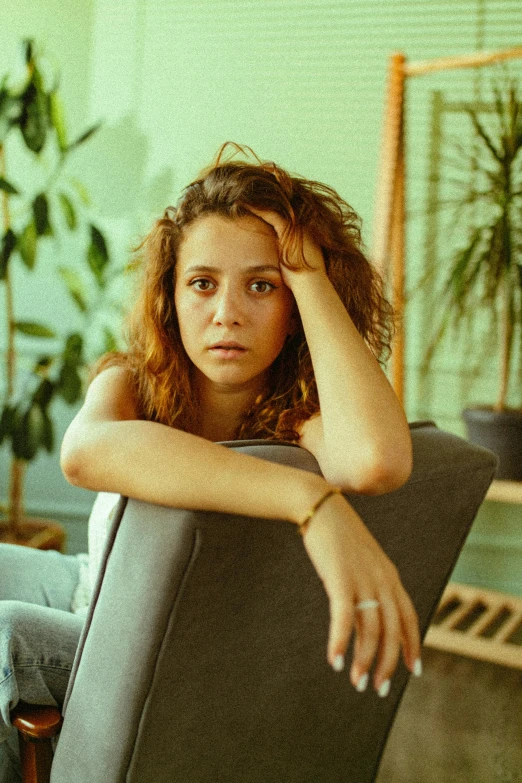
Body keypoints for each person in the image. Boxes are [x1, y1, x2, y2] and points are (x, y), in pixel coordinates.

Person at [0, 142, 421, 780]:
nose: (227, 314)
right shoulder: (132, 385)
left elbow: (376, 462)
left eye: (262, 285)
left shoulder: (298, 423)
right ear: (171, 296)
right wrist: (309, 502)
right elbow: (85, 452)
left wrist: (308, 271)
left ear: (295, 312)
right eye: (202, 283)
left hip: (146, 639)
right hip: (94, 580)